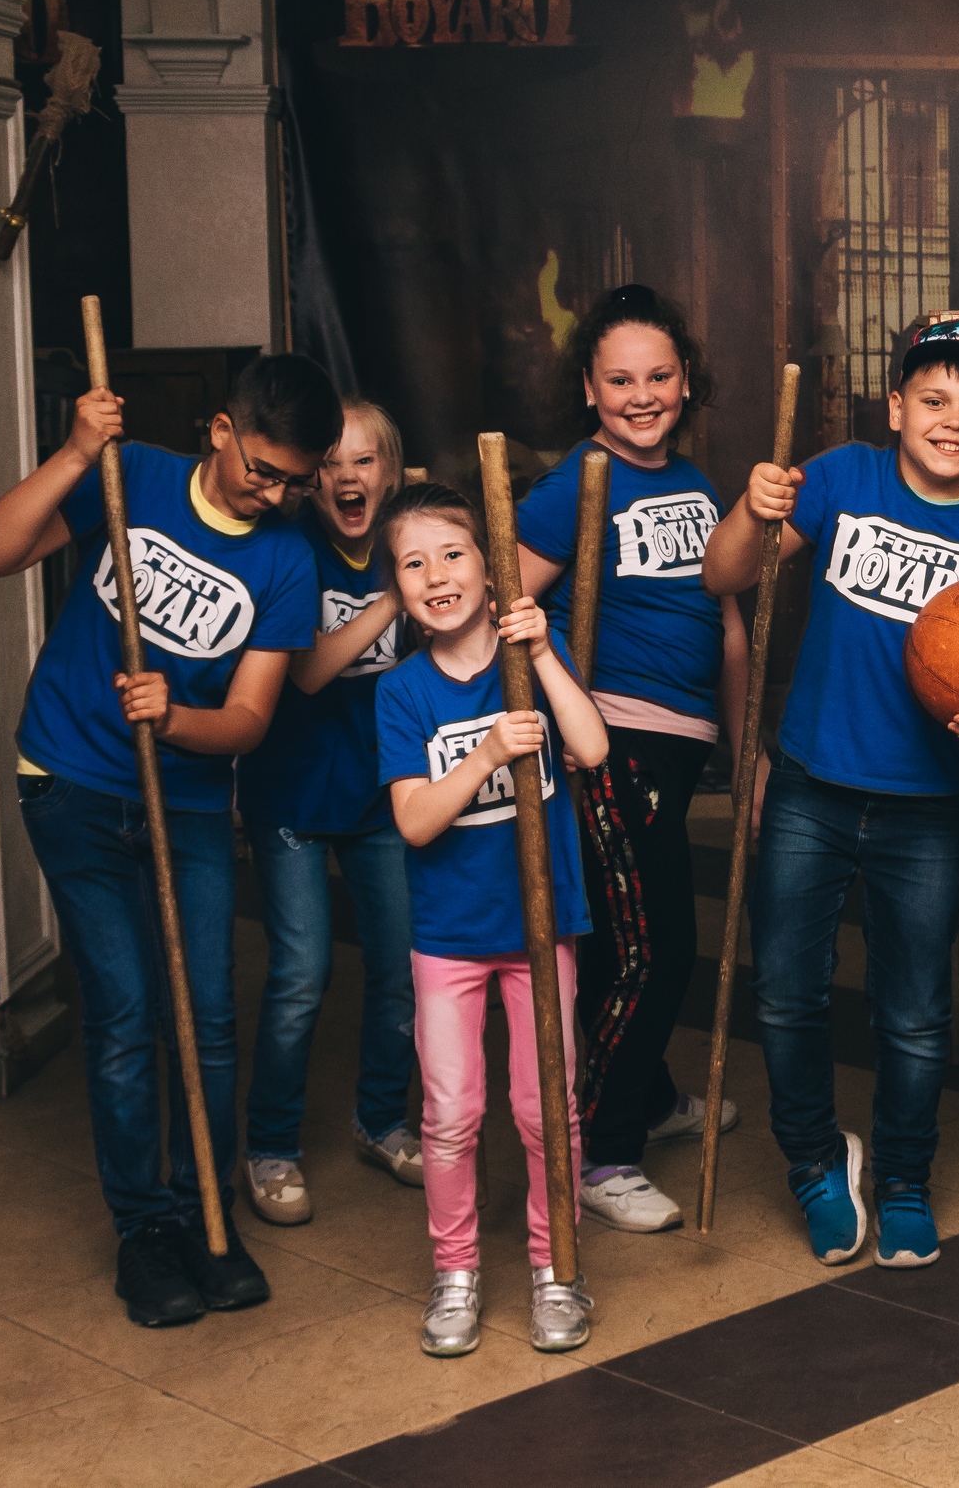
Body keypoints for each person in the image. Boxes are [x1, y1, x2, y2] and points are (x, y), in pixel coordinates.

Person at [702, 316, 959, 1269]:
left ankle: (906, 1177)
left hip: (928, 804)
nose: (953, 420)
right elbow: (723, 574)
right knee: (786, 992)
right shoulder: (843, 476)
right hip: (810, 784)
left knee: (915, 1011)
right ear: (894, 406)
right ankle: (813, 1161)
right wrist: (753, 510)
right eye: (933, 399)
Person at [0, 354, 340, 1328]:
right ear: (222, 430)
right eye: (263, 470)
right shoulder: (131, 475)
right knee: (130, 1013)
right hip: (72, 781)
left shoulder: (287, 559)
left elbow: (249, 719)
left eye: (295, 482)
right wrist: (76, 452)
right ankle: (145, 1231)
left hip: (186, 799)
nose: (276, 494)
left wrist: (173, 718)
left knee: (207, 1016)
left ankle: (207, 1216)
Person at [515, 284, 749, 1235]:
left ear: (685, 380)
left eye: (658, 375)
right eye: (620, 380)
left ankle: (645, 1099)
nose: (641, 395)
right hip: (613, 742)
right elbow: (503, 610)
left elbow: (728, 627)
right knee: (656, 949)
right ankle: (605, 1152)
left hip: (681, 745)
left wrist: (748, 752)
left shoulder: (694, 483)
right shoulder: (575, 484)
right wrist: (563, 714)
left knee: (626, 940)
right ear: (589, 388)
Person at [374, 480, 609, 1357]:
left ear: (490, 565)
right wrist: (485, 753)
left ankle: (556, 1268)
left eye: (452, 553)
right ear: (398, 588)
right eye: (413, 563)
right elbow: (414, 821)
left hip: (542, 927)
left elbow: (592, 747)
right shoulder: (401, 692)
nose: (436, 575)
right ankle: (456, 1272)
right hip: (449, 935)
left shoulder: (533, 658)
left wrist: (542, 654)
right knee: (450, 1111)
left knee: (546, 1107)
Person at [236, 400, 420, 1227]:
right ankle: (270, 1146)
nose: (348, 476)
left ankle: (380, 1121)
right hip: (291, 796)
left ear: (391, 471)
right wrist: (391, 598)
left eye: (365, 460)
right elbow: (307, 671)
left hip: (381, 794)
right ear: (311, 480)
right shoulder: (289, 549)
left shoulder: (406, 543)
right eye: (332, 463)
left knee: (401, 969)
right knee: (302, 975)